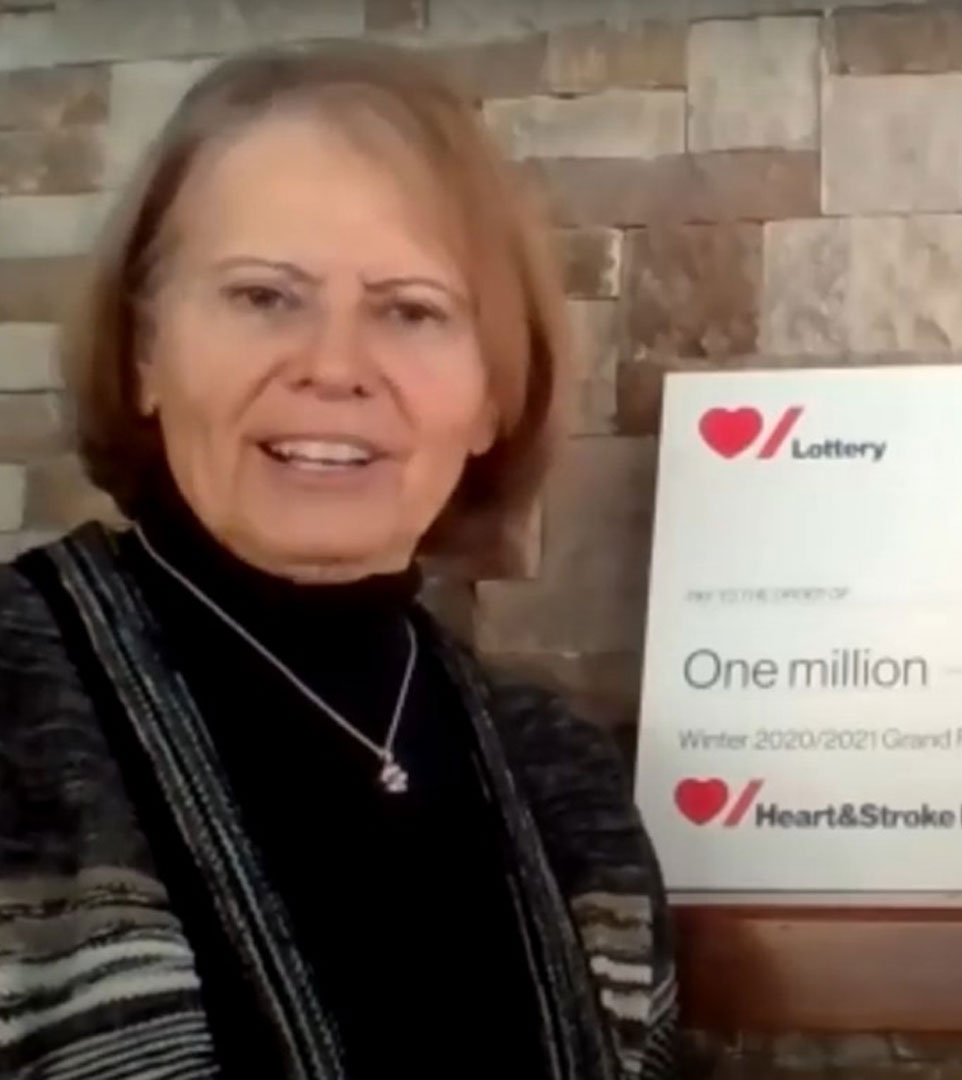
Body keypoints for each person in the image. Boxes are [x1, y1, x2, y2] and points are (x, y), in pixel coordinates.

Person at [0, 41, 682, 1079]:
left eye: (410, 311)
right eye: (265, 297)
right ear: (145, 355)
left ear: (494, 393)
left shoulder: (569, 787)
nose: (333, 368)